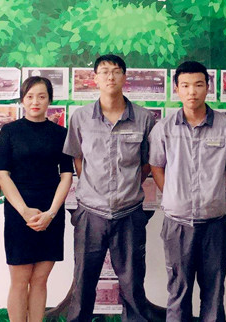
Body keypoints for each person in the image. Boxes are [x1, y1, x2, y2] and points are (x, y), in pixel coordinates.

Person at [149, 60, 226, 322]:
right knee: (178, 291)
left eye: (198, 85)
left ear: (208, 87)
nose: (191, 91)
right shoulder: (164, 128)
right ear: (176, 89)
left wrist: (215, 192)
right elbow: (156, 166)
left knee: (213, 291)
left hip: (214, 224)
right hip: (177, 224)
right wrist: (173, 194)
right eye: (185, 85)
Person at [63, 54, 156, 322]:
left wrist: (129, 185)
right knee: (83, 282)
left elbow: (148, 162)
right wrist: (93, 187)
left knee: (133, 284)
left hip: (129, 213)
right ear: (95, 79)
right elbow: (78, 158)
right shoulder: (81, 118)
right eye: (104, 71)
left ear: (125, 77)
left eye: (116, 71)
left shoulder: (143, 118)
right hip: (90, 213)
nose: (110, 76)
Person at [0, 76, 74, 322]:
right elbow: (2, 174)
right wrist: (24, 211)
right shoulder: (9, 131)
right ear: (22, 100)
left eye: (41, 96)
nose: (35, 101)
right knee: (20, 280)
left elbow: (66, 175)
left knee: (40, 279)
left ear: (50, 100)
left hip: (51, 212)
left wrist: (51, 212)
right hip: (19, 213)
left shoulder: (61, 133)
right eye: (29, 96)